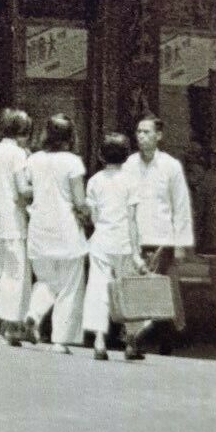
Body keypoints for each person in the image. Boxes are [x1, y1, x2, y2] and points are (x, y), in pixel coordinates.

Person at [17, 115, 90, 355]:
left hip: (39, 229)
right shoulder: (73, 162)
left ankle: (33, 314)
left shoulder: (34, 159)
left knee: (46, 281)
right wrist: (88, 217)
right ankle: (61, 339)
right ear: (70, 137)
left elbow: (26, 191)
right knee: (70, 286)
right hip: (66, 230)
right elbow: (79, 201)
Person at [123, 115, 195, 360]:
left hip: (163, 238)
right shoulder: (130, 164)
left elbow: (181, 205)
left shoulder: (171, 166)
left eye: (146, 132)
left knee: (162, 290)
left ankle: (162, 338)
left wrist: (181, 244)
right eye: (138, 132)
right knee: (139, 290)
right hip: (136, 237)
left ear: (159, 136)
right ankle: (136, 339)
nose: (141, 136)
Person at [0, 108, 32, 346]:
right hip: (12, 220)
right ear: (22, 133)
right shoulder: (18, 154)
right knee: (14, 270)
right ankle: (9, 324)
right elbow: (22, 190)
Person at [83, 132, 136, 363]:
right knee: (126, 291)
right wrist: (136, 249)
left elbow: (93, 216)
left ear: (100, 155)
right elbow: (133, 218)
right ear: (127, 155)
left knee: (98, 289)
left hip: (101, 240)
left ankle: (99, 340)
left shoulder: (94, 181)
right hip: (124, 241)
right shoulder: (132, 180)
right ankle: (131, 341)